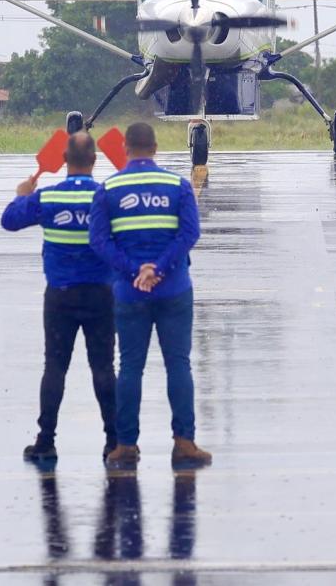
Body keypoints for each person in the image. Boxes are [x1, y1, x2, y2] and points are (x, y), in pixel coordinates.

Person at [89, 122, 211, 468]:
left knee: (130, 367)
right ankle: (184, 442)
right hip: (174, 289)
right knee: (179, 365)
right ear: (155, 148)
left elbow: (98, 241)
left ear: (126, 149)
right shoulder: (177, 185)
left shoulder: (108, 188)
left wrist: (135, 271)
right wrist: (159, 268)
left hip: (130, 293)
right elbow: (189, 234)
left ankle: (126, 444)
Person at [1, 131, 118, 462]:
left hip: (60, 296)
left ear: (64, 161)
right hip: (101, 294)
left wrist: (22, 195)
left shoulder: (48, 198)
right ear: (94, 162)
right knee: (105, 368)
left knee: (54, 368)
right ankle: (114, 441)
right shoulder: (106, 198)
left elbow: (9, 221)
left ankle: (46, 439)